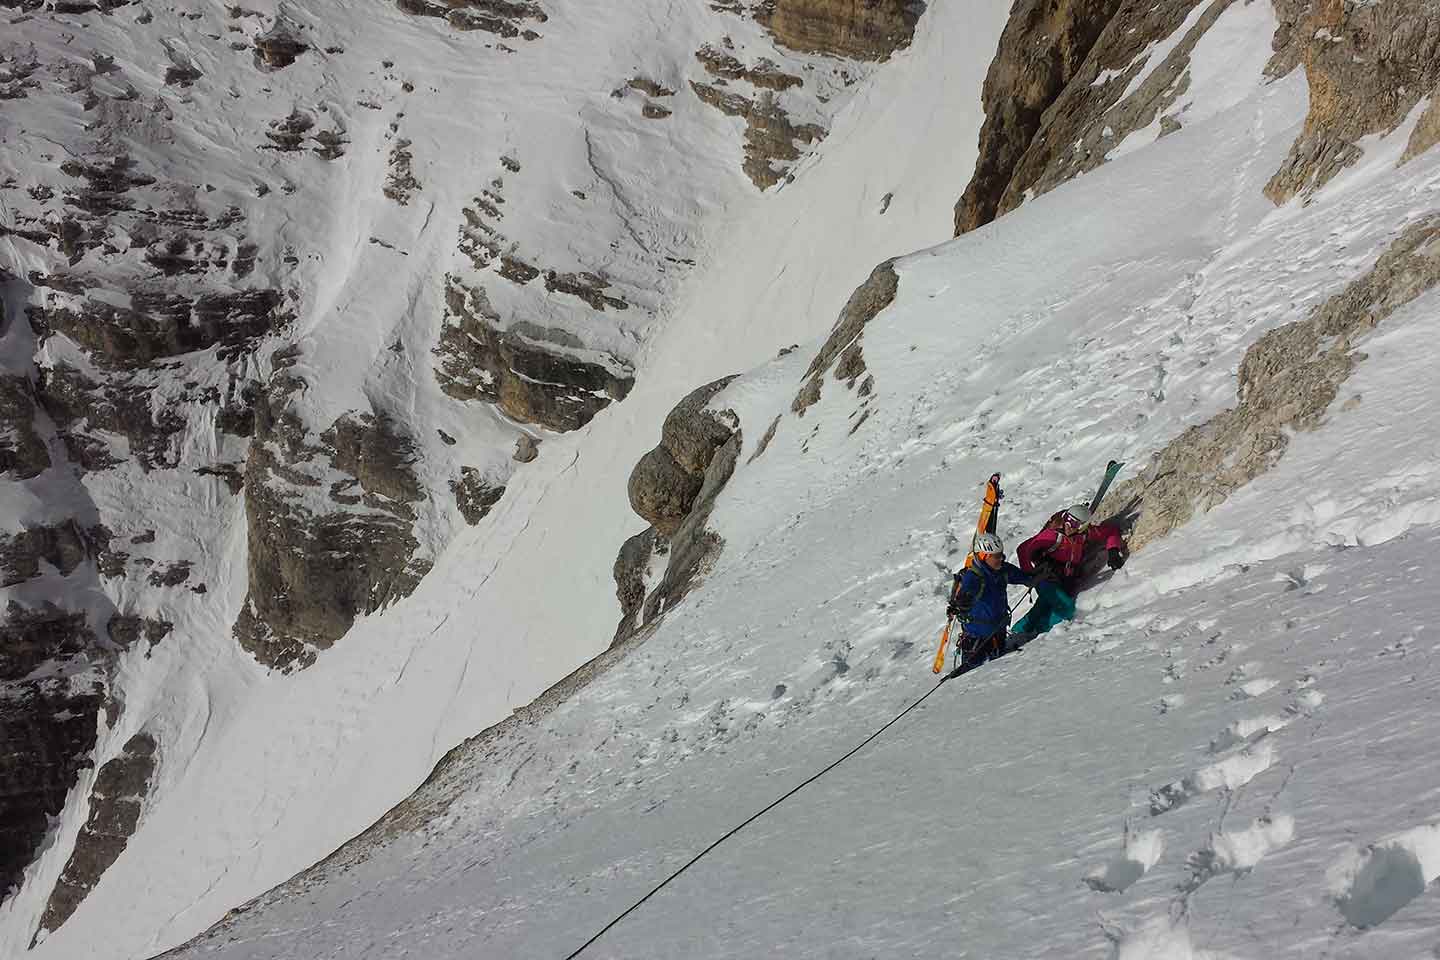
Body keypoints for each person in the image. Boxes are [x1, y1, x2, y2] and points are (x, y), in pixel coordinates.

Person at [1012, 503, 1127, 637]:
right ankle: (1038, 635)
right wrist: (1029, 574)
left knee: (1042, 607)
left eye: (1074, 524)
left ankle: (1018, 632)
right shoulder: (1052, 536)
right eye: (1068, 519)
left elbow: (1111, 531)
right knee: (1066, 609)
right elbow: (1023, 549)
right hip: (1046, 579)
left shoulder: (1085, 534)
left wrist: (1113, 550)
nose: (1068, 525)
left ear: (1082, 527)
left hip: (1065, 580)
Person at [946, 532, 1037, 676]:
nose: (1000, 559)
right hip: (976, 644)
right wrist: (961, 602)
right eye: (996, 556)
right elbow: (966, 593)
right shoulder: (974, 577)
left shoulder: (1002, 570)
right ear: (984, 556)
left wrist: (1035, 577)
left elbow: (1022, 577)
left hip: (998, 637)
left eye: (1001, 555)